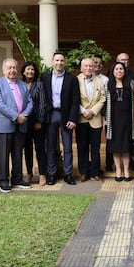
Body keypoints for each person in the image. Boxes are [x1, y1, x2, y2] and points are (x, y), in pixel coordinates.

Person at [0, 58, 33, 192]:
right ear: (4, 70)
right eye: (9, 68)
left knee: (17, 153)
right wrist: (16, 116)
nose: (12, 70)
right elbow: (0, 104)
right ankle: (3, 180)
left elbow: (30, 102)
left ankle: (17, 178)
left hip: (21, 125)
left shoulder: (21, 84)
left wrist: (24, 115)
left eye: (14, 68)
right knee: (3, 154)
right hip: (4, 125)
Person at [41, 52, 80, 185]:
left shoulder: (72, 79)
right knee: (51, 146)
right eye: (57, 60)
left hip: (66, 116)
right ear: (52, 62)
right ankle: (51, 174)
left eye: (62, 60)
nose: (59, 63)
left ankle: (68, 174)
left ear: (65, 62)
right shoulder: (44, 77)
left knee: (68, 146)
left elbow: (75, 101)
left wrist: (73, 118)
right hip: (50, 115)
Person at [105, 61, 134, 181]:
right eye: (116, 69)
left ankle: (127, 170)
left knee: (126, 147)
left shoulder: (131, 84)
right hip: (113, 121)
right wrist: (105, 119)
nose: (119, 71)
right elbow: (104, 104)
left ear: (125, 71)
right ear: (113, 72)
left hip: (128, 121)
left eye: (121, 69)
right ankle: (118, 170)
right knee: (116, 147)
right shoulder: (108, 85)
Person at [77, 58, 106, 182]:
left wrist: (93, 111)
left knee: (96, 147)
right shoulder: (75, 80)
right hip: (81, 118)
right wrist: (83, 111)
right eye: (86, 66)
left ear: (94, 68)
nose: (89, 68)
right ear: (82, 68)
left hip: (95, 119)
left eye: (91, 66)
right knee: (82, 147)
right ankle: (83, 172)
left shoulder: (99, 81)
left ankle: (95, 172)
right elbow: (74, 98)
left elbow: (103, 98)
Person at [22, 61, 47, 186]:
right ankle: (29, 173)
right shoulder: (20, 84)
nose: (30, 71)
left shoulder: (39, 85)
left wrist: (40, 121)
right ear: (23, 71)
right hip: (24, 122)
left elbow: (42, 104)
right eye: (28, 69)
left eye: (32, 69)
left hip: (37, 122)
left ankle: (42, 174)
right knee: (27, 149)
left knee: (40, 148)